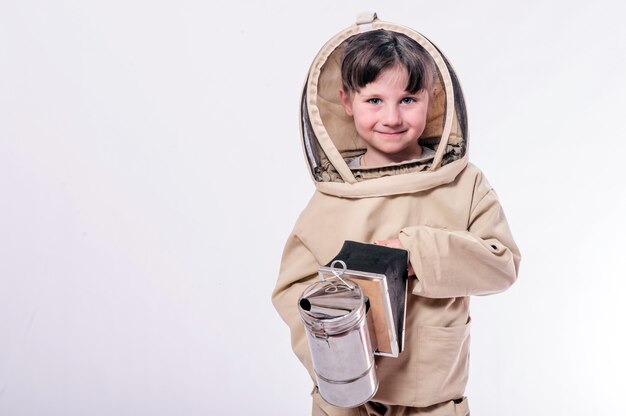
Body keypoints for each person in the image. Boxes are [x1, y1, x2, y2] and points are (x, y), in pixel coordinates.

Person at [272, 12, 521, 416]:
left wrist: (416, 254)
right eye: (375, 100)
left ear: (432, 99)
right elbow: (292, 293)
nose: (391, 117)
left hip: (433, 399)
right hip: (346, 402)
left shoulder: (464, 184)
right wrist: (338, 352)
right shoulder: (332, 198)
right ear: (346, 103)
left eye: (408, 99)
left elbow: (502, 264)